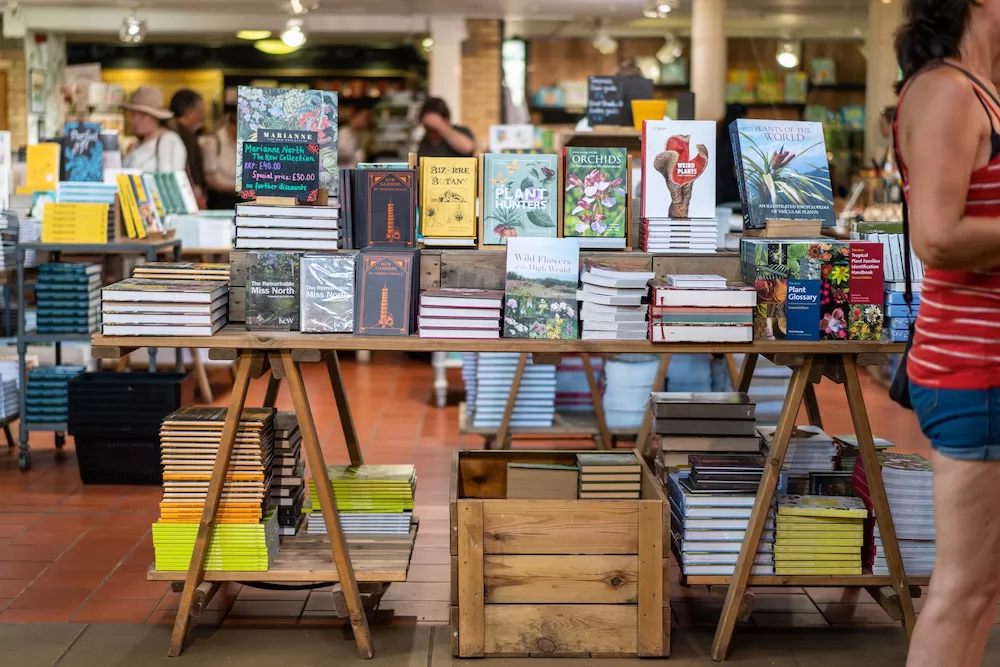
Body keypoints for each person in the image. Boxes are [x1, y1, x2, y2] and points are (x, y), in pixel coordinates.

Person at [892, 2, 1000, 666]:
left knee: (982, 592)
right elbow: (935, 236)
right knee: (962, 592)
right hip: (976, 369)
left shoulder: (981, 93)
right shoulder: (946, 90)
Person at [121, 86, 187, 172]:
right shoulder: (140, 143)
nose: (136, 120)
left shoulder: (169, 140)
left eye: (142, 115)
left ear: (156, 117)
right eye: (133, 114)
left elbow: (169, 177)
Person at [169, 89, 207, 208]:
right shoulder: (184, 135)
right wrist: (196, 193)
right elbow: (188, 168)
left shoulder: (170, 131)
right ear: (189, 112)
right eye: (199, 112)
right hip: (187, 199)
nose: (201, 117)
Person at [200, 105, 238, 210]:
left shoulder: (240, 143)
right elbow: (211, 180)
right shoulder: (213, 141)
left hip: (239, 198)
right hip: (220, 200)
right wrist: (238, 188)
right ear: (232, 124)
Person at [716, 103, 747, 207]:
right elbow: (738, 173)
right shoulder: (740, 142)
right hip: (735, 201)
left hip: (718, 199)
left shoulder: (717, 141)